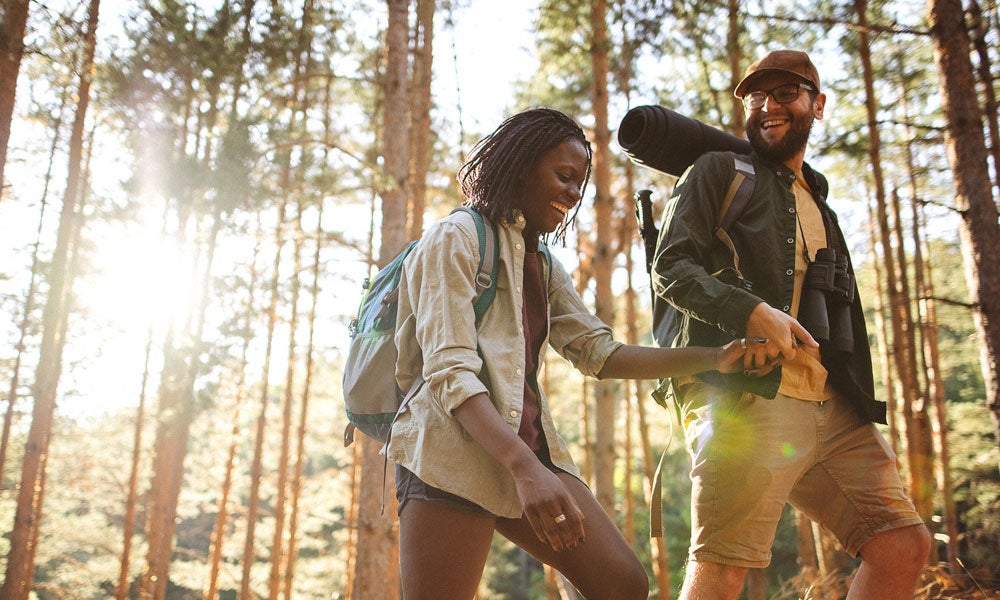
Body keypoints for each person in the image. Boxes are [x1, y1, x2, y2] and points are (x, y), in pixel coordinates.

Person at [386, 107, 753, 599]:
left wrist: (713, 357)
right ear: (520, 168)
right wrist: (524, 469)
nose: (573, 194)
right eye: (563, 176)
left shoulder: (542, 263)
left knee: (622, 584)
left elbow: (599, 352)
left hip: (530, 455)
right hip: (449, 455)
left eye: (579, 184)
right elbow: (449, 371)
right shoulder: (454, 238)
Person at [650, 50, 931, 599]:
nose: (767, 105)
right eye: (756, 95)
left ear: (816, 105)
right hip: (747, 396)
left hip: (830, 400)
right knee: (725, 568)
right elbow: (670, 267)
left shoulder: (817, 198)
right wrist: (748, 311)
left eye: (785, 93)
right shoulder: (715, 171)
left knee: (901, 543)